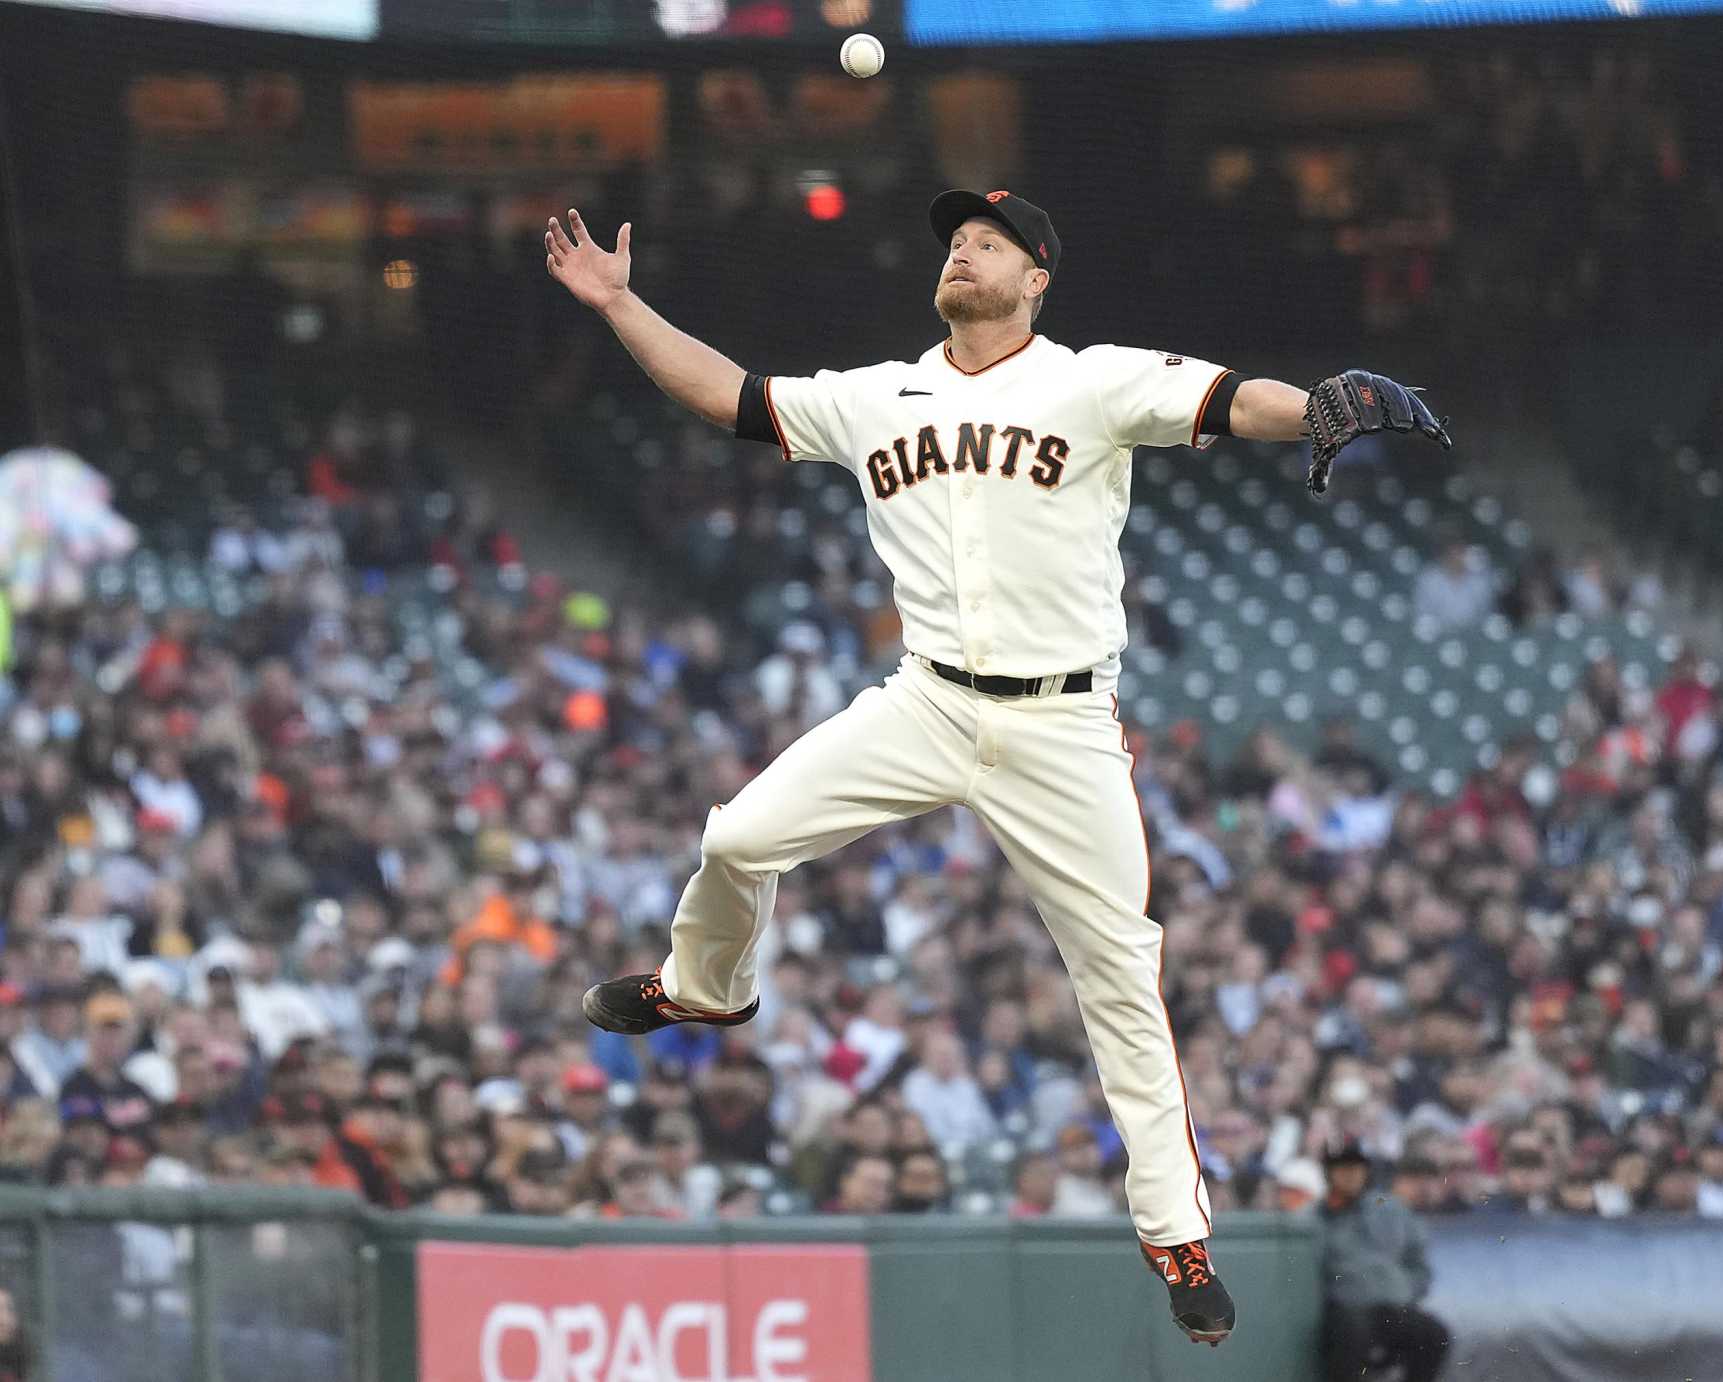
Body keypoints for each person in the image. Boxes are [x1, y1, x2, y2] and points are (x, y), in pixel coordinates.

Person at [544, 188, 1447, 1349]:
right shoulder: (878, 394)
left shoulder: (1091, 379)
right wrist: (622, 305)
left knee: (1119, 970)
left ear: (1035, 280)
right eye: (955, 240)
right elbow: (730, 396)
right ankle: (706, 983)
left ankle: (1176, 1234)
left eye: (989, 242)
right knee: (733, 837)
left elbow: (1229, 398)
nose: (962, 250)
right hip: (924, 697)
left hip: (1062, 723)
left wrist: (1314, 405)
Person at [1318, 1145, 1451, 1382]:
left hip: (1392, 1305)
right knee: (1351, 1333)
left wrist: (1405, 1290)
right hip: (1344, 1307)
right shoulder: (1315, 1216)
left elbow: (1417, 1261)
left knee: (1434, 1334)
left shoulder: (1390, 1210)